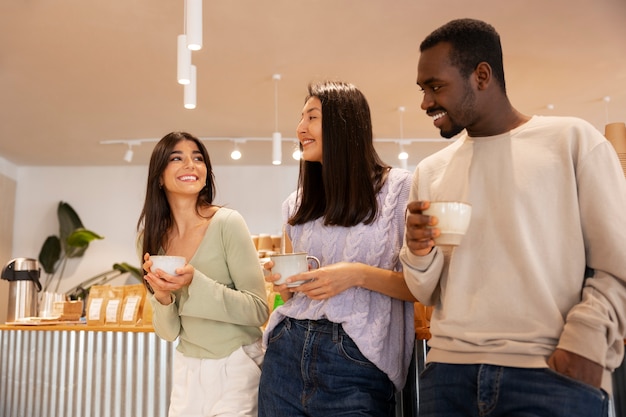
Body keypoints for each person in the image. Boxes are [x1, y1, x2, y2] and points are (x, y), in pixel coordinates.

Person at [401, 18, 626, 417]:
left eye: (435, 86)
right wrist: (419, 253)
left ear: (482, 75)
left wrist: (585, 344)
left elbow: (619, 263)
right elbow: (424, 291)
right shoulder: (430, 171)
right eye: (423, 89)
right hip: (447, 377)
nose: (424, 102)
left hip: (550, 373)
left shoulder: (573, 141)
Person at [258, 81, 416, 416]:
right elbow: (289, 297)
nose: (300, 129)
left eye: (311, 117)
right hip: (285, 349)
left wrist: (355, 275)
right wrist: (283, 284)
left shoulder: (398, 190)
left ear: (344, 125)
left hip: (356, 358)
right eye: (301, 119)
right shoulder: (296, 205)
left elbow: (421, 286)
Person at [137, 131, 269, 417]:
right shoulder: (150, 240)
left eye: (198, 158)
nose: (191, 165)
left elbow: (258, 310)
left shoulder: (227, 223)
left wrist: (195, 282)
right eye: (177, 158)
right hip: (187, 369)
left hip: (236, 365)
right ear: (159, 176)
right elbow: (169, 332)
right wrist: (162, 296)